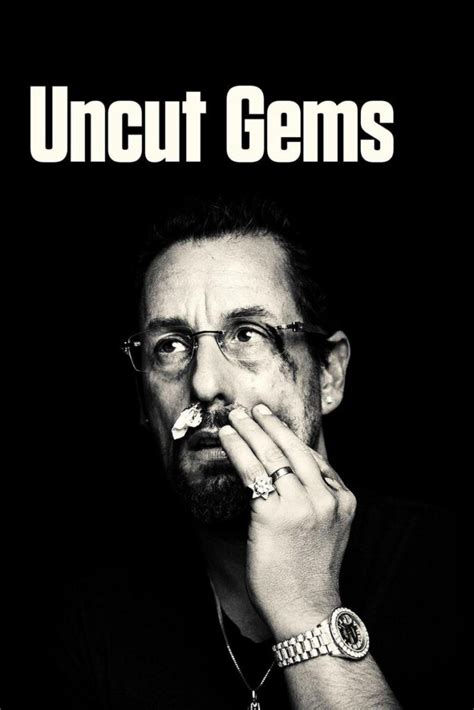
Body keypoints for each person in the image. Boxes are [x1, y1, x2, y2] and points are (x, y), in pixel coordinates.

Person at [43, 196, 454, 709]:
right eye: (170, 345)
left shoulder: (449, 569)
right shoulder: (85, 619)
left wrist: (306, 611)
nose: (204, 383)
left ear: (328, 374)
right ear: (144, 400)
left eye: (246, 334)